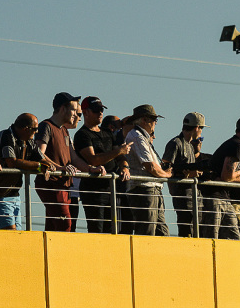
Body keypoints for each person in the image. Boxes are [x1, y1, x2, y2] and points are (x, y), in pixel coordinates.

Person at [35, 93, 104, 232]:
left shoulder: (64, 130)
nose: (76, 114)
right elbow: (38, 153)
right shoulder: (46, 126)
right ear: (62, 109)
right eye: (73, 110)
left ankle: (50, 253)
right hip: (52, 183)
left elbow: (74, 158)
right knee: (64, 224)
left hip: (63, 184)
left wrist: (91, 169)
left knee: (53, 226)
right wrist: (61, 168)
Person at [0, 113, 47, 230]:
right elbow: (11, 162)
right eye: (35, 129)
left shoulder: (29, 141)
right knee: (11, 232)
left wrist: (50, 166)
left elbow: (43, 160)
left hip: (13, 195)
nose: (37, 132)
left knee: (16, 235)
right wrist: (39, 166)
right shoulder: (6, 136)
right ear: (26, 129)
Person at [73, 98, 130, 234]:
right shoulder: (82, 135)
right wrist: (118, 152)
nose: (100, 113)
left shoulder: (107, 133)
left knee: (112, 230)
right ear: (85, 112)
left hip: (111, 189)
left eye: (102, 110)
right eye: (96, 110)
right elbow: (93, 160)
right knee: (96, 230)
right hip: (93, 191)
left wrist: (124, 166)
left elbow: (120, 156)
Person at [202, 116, 240, 240]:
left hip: (225, 197)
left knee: (234, 236)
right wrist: (234, 175)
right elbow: (227, 176)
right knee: (211, 236)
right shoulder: (236, 145)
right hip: (213, 196)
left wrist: (235, 173)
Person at [121, 104, 172, 236]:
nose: (155, 123)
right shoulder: (137, 136)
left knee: (161, 232)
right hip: (144, 190)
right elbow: (150, 166)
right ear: (144, 120)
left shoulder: (141, 136)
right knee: (147, 231)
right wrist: (167, 174)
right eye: (154, 119)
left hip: (150, 189)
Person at [161, 112, 206, 238]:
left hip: (194, 196)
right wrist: (185, 175)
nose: (201, 131)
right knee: (187, 231)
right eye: (201, 128)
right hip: (183, 196)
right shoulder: (175, 143)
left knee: (198, 232)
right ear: (196, 127)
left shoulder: (190, 145)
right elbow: (165, 169)